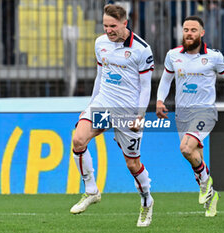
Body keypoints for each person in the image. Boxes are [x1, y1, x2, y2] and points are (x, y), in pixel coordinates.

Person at [70, 4, 155, 227]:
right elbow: (100, 76)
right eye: (105, 25)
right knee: (78, 139)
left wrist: (140, 115)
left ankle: (146, 200)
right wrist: (89, 105)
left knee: (132, 164)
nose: (108, 30)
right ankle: (91, 190)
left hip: (128, 111)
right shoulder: (100, 43)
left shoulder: (141, 49)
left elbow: (146, 87)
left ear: (125, 24)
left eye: (113, 26)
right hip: (103, 104)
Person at [156, 16, 224, 217]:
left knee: (186, 148)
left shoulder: (213, 57)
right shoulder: (173, 55)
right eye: (186, 29)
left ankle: (205, 184)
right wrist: (160, 100)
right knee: (193, 155)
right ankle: (211, 195)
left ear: (202, 33)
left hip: (205, 111)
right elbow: (166, 80)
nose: (189, 33)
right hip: (182, 114)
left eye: (194, 30)